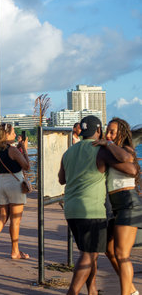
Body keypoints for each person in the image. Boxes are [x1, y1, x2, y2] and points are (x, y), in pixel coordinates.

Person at [57, 116, 137, 295]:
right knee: (89, 254)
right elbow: (130, 168)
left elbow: (61, 179)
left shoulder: (68, 153)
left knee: (88, 252)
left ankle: (92, 291)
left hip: (70, 209)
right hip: (91, 209)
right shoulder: (99, 150)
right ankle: (72, 292)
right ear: (98, 131)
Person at [93, 117, 141, 295]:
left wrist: (107, 143)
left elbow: (127, 159)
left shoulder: (125, 149)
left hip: (129, 204)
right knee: (109, 250)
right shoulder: (111, 151)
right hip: (116, 206)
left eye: (112, 131)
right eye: (107, 131)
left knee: (122, 255)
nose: (108, 134)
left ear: (121, 133)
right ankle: (132, 291)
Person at [0, 123, 30, 261]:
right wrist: (24, 149)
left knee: (2, 217)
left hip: (1, 183)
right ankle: (15, 251)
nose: (15, 135)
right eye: (13, 132)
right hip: (14, 183)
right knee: (15, 220)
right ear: (7, 134)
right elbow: (26, 166)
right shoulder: (12, 150)